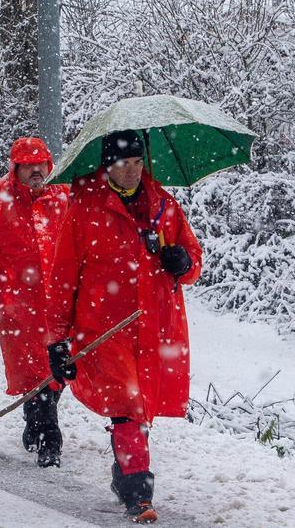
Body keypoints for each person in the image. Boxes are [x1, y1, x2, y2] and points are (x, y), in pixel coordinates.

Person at [44, 129, 202, 523]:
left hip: (155, 327)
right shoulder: (84, 209)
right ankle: (138, 493)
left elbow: (193, 260)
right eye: (122, 164)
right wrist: (57, 340)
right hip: (104, 329)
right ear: (107, 166)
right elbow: (63, 278)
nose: (131, 171)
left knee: (141, 409)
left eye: (136, 163)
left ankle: (124, 472)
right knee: (128, 407)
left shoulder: (164, 206)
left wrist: (182, 263)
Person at [0, 137, 71, 467]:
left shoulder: (63, 197)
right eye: (28, 165)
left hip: (60, 305)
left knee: (57, 371)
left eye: (41, 164)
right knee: (35, 371)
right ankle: (50, 436)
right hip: (18, 308)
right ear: (15, 169)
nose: (36, 171)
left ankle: (36, 420)